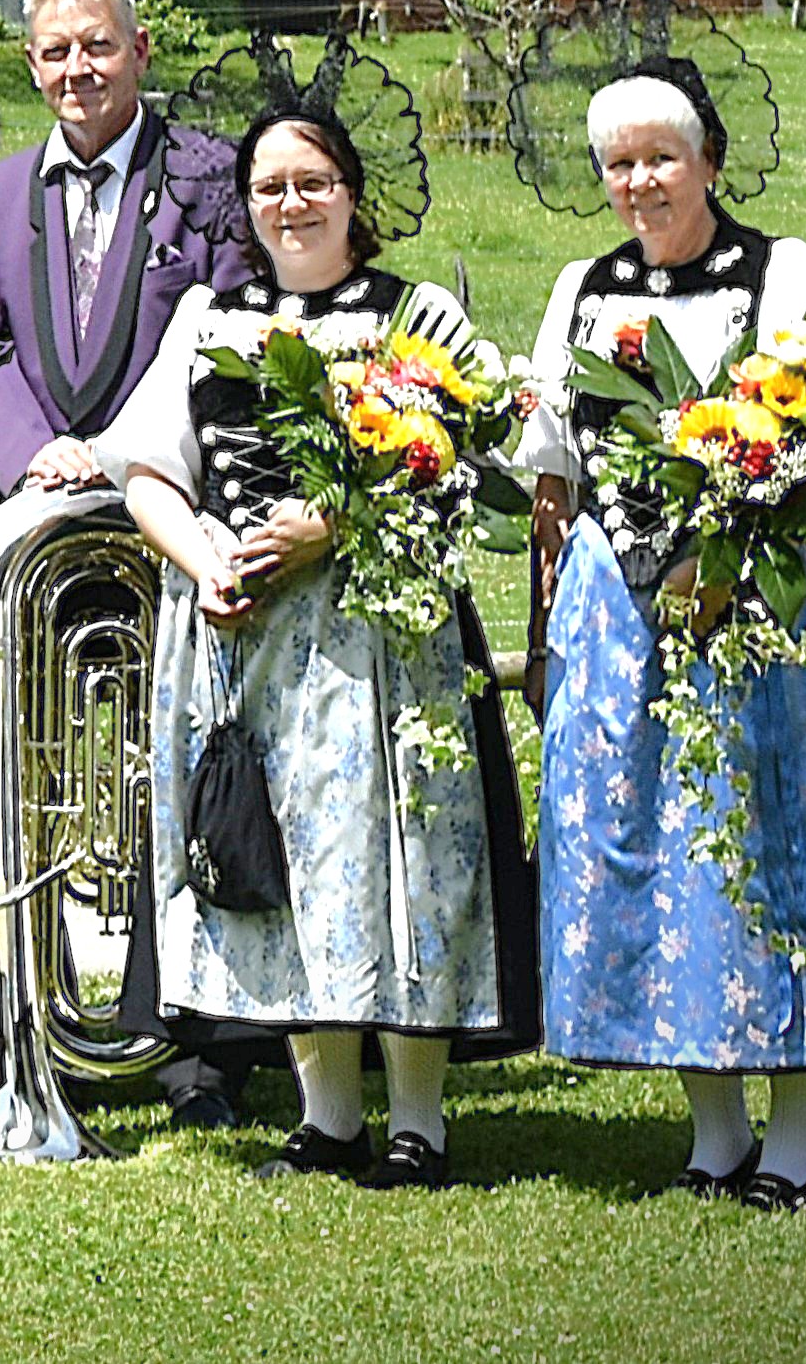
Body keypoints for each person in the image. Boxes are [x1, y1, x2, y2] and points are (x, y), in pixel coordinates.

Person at [521, 69, 806, 1210]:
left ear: (707, 157)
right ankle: (713, 1132)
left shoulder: (779, 271)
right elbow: (547, 445)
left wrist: (745, 514)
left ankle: (795, 1140)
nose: (638, 181)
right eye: (618, 163)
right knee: (656, 853)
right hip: (623, 607)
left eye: (660, 155)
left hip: (761, 608)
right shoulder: (581, 288)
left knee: (776, 847)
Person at [108, 106, 531, 1185]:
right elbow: (149, 468)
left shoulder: (412, 313)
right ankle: (327, 1117)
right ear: (244, 206)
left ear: (351, 191)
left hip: (378, 637)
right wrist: (201, 555)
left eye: (311, 180)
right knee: (282, 868)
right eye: (268, 186)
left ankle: (418, 1125)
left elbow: (453, 462)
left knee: (400, 869)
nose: (289, 202)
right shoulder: (207, 316)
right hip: (238, 631)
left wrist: (329, 527)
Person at [0, 0, 255, 1121]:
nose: (75, 69)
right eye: (53, 52)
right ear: (30, 66)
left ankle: (190, 1044)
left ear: (138, 52)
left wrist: (121, 453)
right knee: (46, 777)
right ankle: (45, 1026)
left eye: (96, 47)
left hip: (169, 511)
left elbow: (228, 337)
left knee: (169, 774)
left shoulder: (207, 178)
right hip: (40, 528)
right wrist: (38, 454)